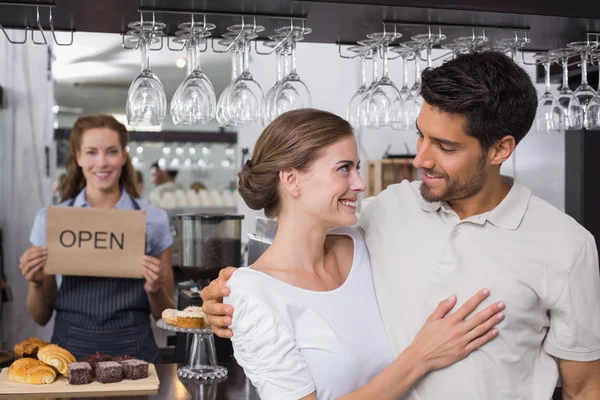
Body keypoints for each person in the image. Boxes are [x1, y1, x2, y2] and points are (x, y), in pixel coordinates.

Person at [202, 51, 600, 399]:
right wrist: (228, 295)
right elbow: (295, 243)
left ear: (500, 149)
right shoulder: (385, 211)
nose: (420, 160)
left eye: (445, 147)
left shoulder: (566, 246)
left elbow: (584, 389)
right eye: (420, 136)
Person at [206, 108, 505, 399]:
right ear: (291, 180)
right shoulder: (253, 294)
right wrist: (420, 358)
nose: (360, 184)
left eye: (357, 168)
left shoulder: (367, 240)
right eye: (344, 169)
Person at [18, 115, 175, 362]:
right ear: (78, 157)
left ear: (124, 157)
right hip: (68, 354)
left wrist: (154, 290)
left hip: (135, 353)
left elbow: (166, 315)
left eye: (111, 152)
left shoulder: (153, 220)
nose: (101, 163)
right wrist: (35, 283)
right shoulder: (51, 220)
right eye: (91, 152)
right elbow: (41, 316)